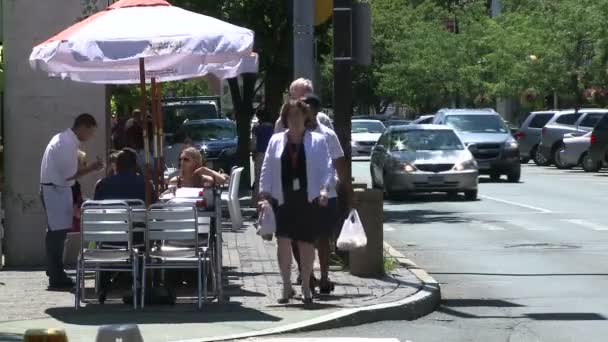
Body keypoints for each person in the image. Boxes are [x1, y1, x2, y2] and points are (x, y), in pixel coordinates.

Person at [259, 99, 333, 305]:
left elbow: (327, 168)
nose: (295, 120)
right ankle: (286, 285)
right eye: (290, 116)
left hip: (307, 197)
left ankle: (306, 286)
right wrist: (263, 194)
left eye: (298, 116)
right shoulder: (276, 140)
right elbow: (266, 167)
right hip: (282, 197)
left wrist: (325, 189)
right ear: (285, 119)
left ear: (306, 118)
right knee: (283, 242)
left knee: (305, 243)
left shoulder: (317, 140)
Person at [40, 113, 103, 289]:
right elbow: (70, 175)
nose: (91, 137)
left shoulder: (64, 140)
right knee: (56, 235)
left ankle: (54, 270)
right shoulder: (65, 144)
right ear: (83, 127)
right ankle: (56, 275)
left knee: (56, 234)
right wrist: (91, 168)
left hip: (57, 190)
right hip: (55, 191)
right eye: (90, 132)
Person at [252, 105, 275, 205]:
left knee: (258, 179)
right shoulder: (273, 128)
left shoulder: (257, 129)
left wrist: (253, 153)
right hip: (272, 155)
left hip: (261, 154)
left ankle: (256, 202)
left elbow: (253, 144)